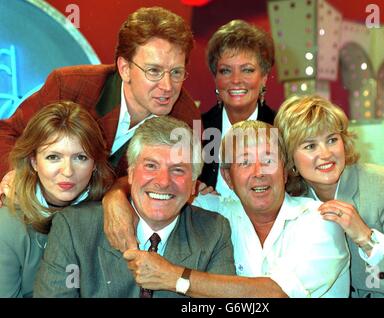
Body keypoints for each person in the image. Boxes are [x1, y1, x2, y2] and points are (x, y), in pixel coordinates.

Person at [99, 120, 350, 297]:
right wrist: (115, 195)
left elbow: (277, 294)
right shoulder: (216, 212)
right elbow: (162, 189)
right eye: (244, 162)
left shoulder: (320, 221)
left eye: (268, 160)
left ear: (285, 170)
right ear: (228, 178)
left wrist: (176, 277)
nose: (258, 173)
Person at [33, 116, 235, 298]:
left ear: (193, 184)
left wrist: (178, 279)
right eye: (151, 166)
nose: (163, 181)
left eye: (178, 170)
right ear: (129, 174)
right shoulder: (74, 227)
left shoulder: (214, 231)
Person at [274, 94, 384, 298]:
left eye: (332, 140)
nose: (326, 154)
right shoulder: (293, 199)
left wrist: (366, 238)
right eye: (310, 146)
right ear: (289, 157)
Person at [0, 6, 200, 182]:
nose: (167, 86)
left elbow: (167, 184)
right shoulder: (70, 86)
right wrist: (17, 178)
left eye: (176, 72)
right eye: (153, 71)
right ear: (125, 68)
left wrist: (119, 193)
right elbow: (8, 135)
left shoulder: (185, 117)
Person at [0, 101, 115, 298]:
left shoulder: (110, 214)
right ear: (34, 161)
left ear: (95, 163)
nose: (68, 172)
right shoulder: (8, 226)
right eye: (53, 157)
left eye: (80, 157)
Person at [199, 20, 277, 196]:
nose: (236, 80)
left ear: (264, 77)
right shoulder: (197, 128)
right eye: (226, 71)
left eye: (247, 70)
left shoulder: (281, 128)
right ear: (215, 78)